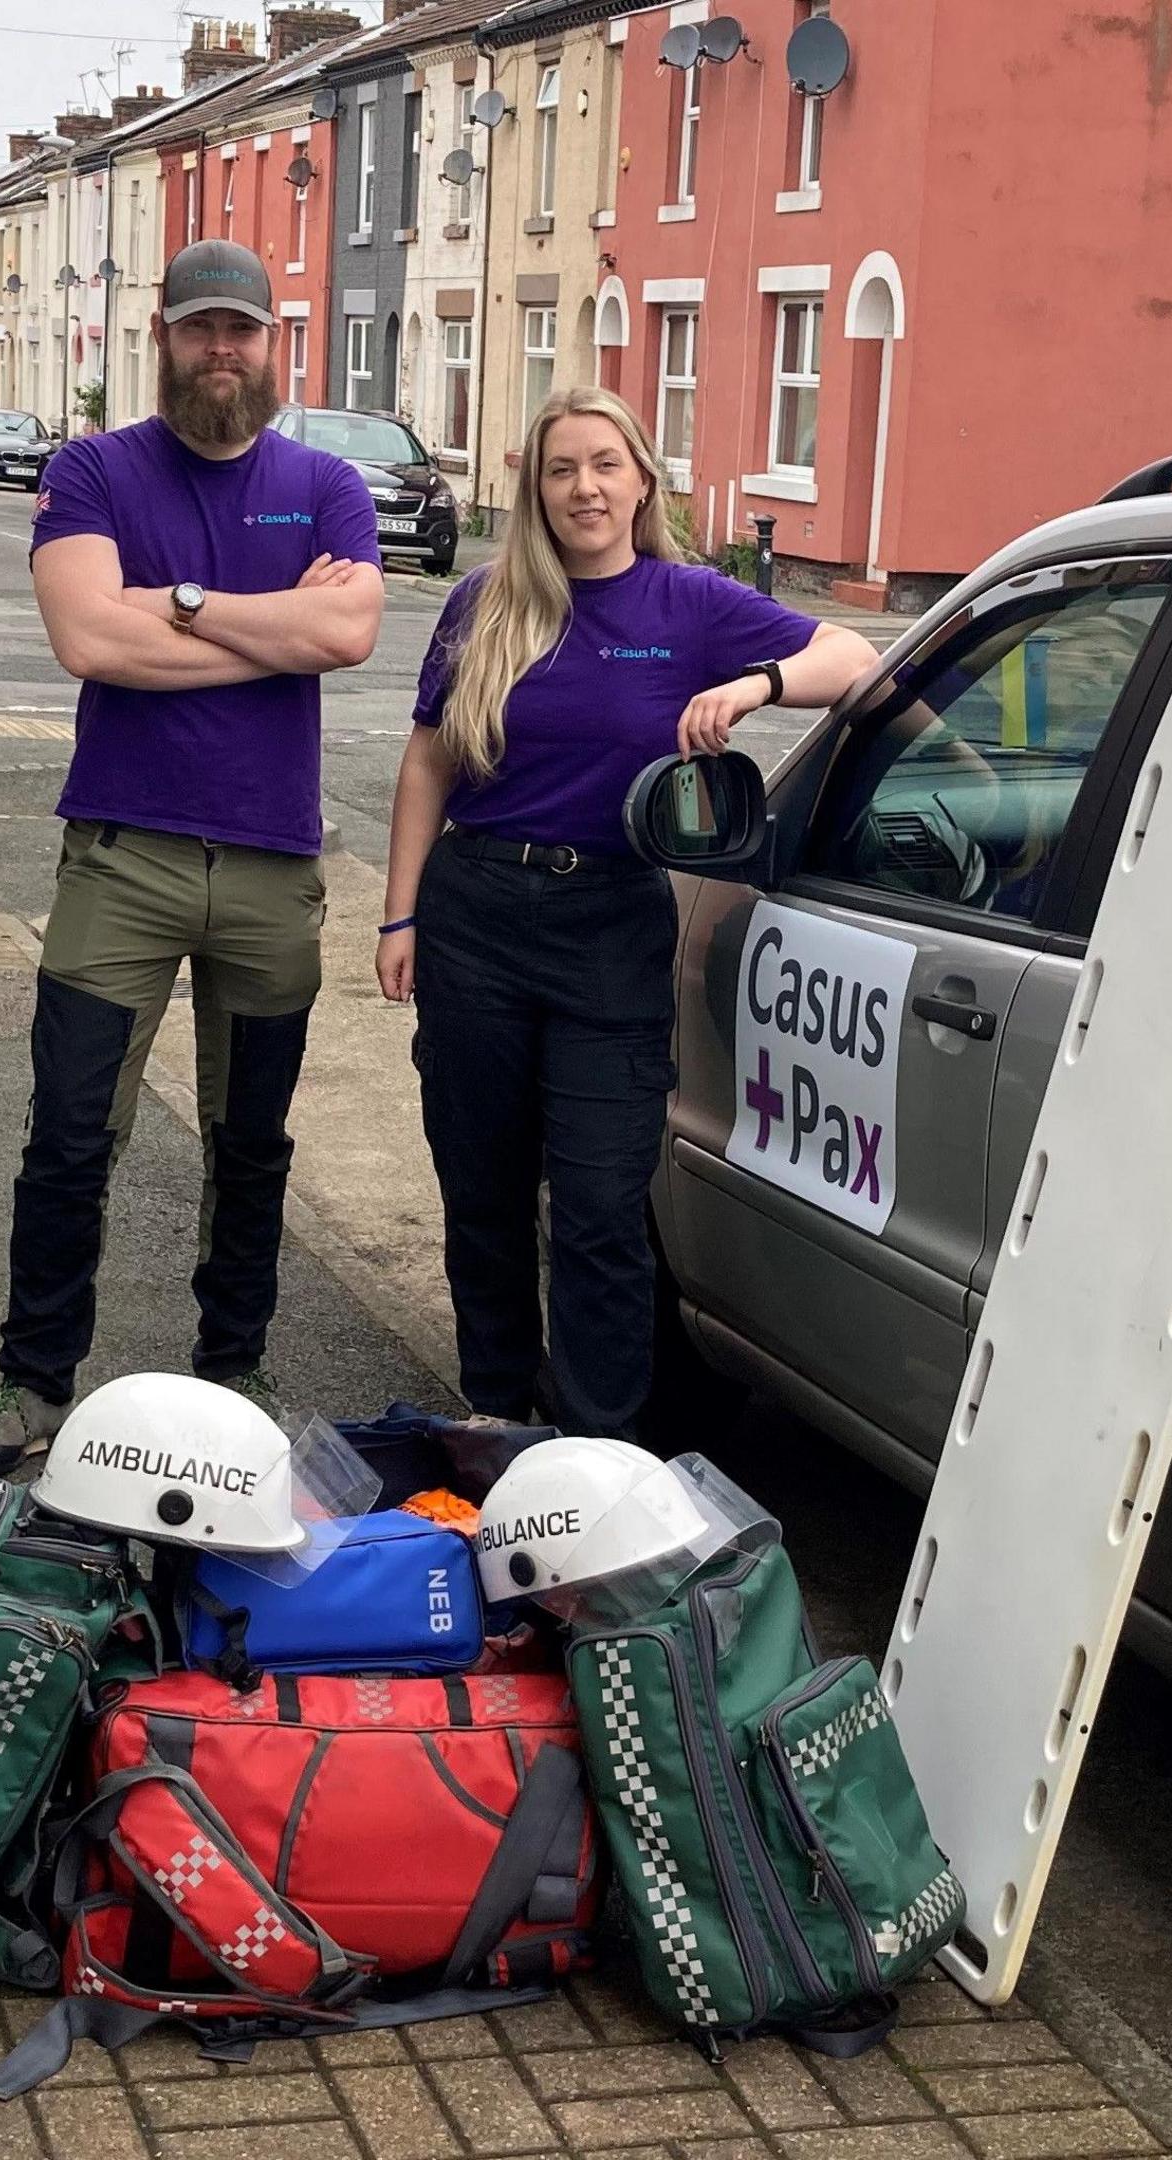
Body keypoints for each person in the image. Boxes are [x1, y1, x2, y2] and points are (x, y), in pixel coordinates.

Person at [0, 240, 385, 1478]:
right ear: (164, 338)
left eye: (243, 331)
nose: (223, 353)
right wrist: (268, 631)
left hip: (270, 872)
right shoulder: (92, 468)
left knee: (252, 1138)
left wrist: (179, 606)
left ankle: (233, 1370)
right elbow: (89, 637)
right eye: (202, 331)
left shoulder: (328, 484)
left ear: (273, 343)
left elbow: (348, 630)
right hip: (122, 859)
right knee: (74, 1129)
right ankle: (34, 1381)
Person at [378, 386, 880, 1436]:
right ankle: (496, 1416)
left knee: (603, 1206)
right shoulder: (485, 602)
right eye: (562, 469)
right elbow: (427, 762)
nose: (584, 488)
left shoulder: (688, 604)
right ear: (536, 490)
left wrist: (755, 687)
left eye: (605, 464)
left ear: (643, 478)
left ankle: (602, 1449)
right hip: (477, 916)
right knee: (485, 1193)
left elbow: (856, 660)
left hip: (610, 923)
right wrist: (401, 917)